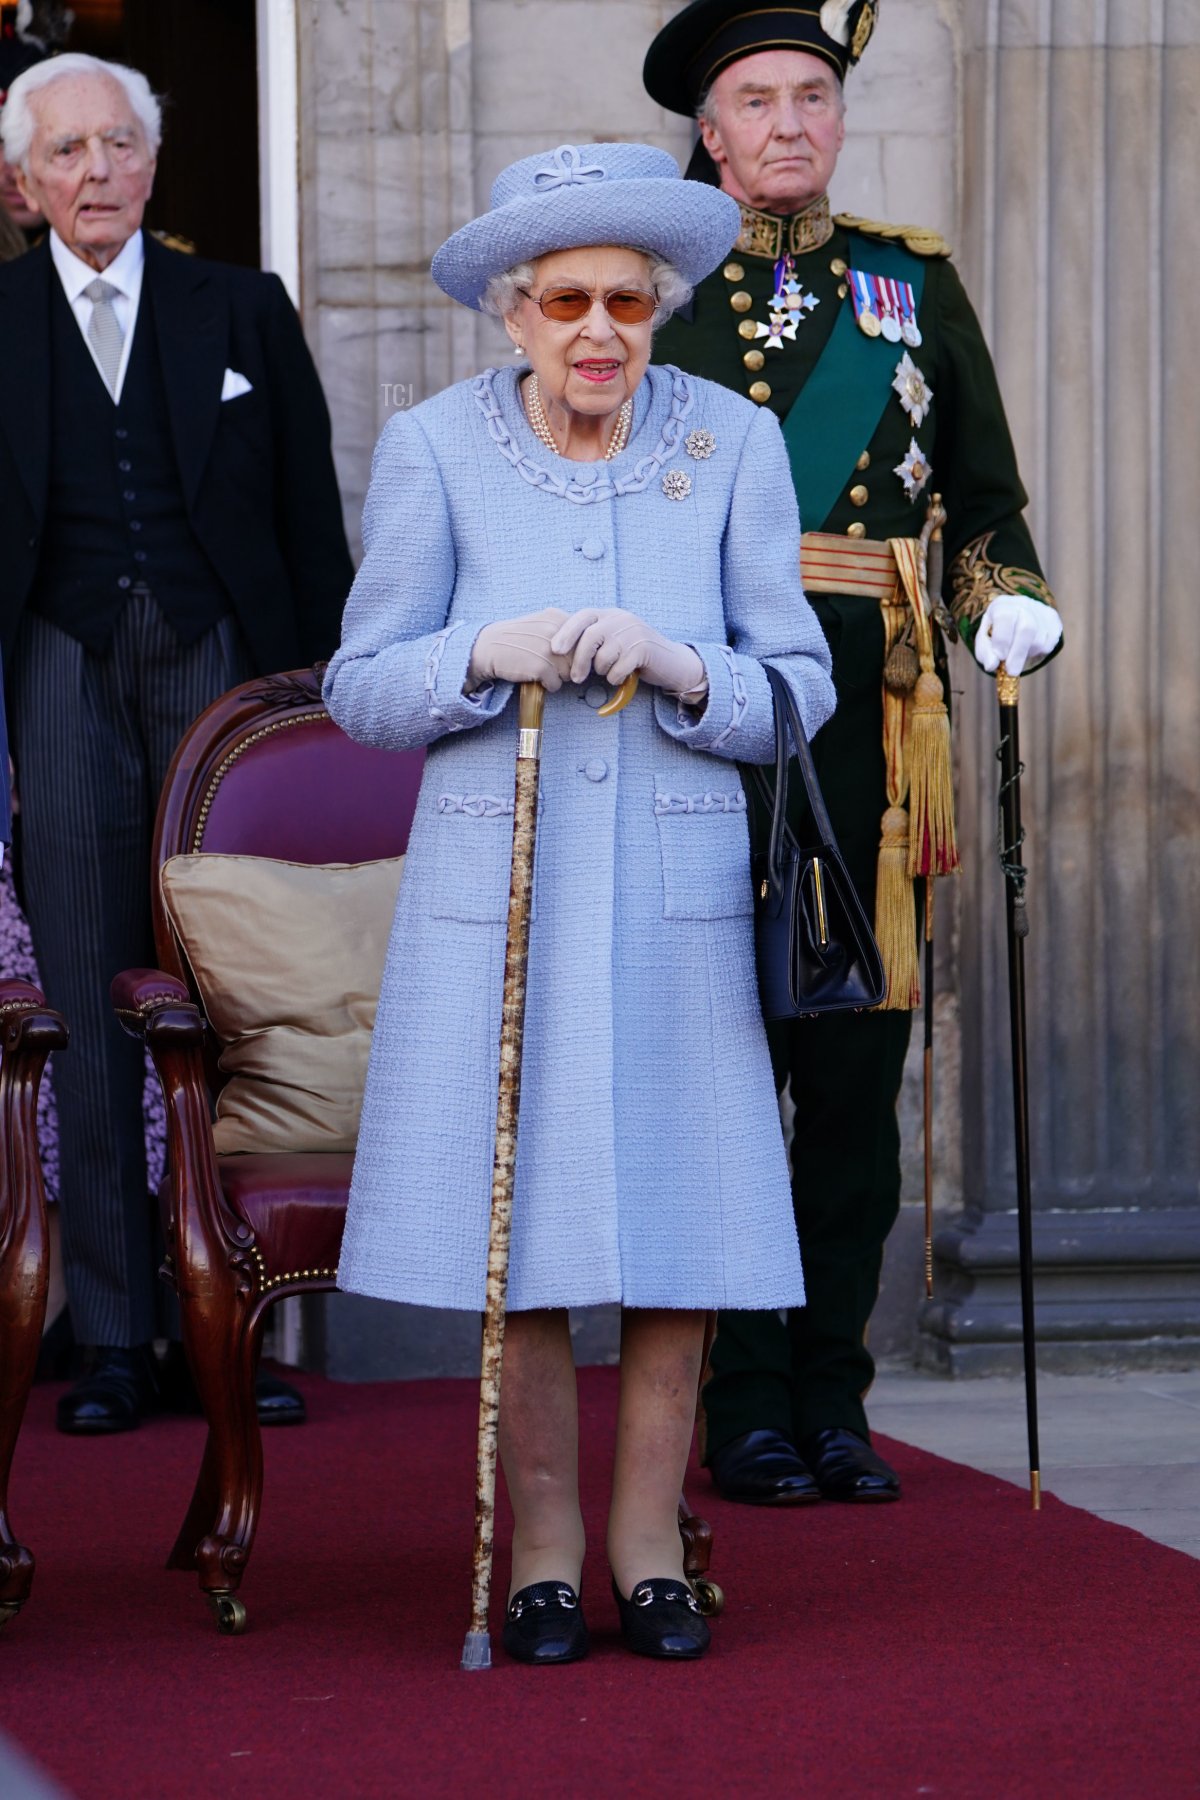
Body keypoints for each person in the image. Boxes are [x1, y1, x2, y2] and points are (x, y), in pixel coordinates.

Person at [323, 140, 836, 1663]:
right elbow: (359, 684)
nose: (598, 330)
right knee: (524, 1234)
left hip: (676, 893)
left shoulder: (734, 440)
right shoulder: (433, 446)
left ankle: (648, 1549)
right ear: (511, 310)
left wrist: (688, 670)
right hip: (507, 893)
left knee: (685, 1230)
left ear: (662, 302)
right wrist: (484, 650)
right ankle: (543, 1553)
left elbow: (797, 686)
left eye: (626, 299)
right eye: (565, 302)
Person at [644, 0, 1063, 1507]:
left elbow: (983, 504)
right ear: (710, 129)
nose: (790, 123)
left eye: (812, 94)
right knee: (719, 1074)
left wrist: (1006, 608)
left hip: (875, 731)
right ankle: (736, 1402)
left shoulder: (912, 285)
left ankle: (834, 1393)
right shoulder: (653, 285)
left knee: (851, 1075)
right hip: (702, 724)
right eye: (756, 99)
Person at [0, 53, 354, 1433]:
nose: (96, 171)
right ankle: (114, 1338)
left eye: (118, 145)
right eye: (66, 152)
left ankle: (237, 1315)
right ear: (25, 186)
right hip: (58, 662)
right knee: (87, 1000)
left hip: (222, 663)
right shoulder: (3, 318)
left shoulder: (240, 308)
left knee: (236, 992)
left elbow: (310, 508)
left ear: (152, 161)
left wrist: (327, 699)